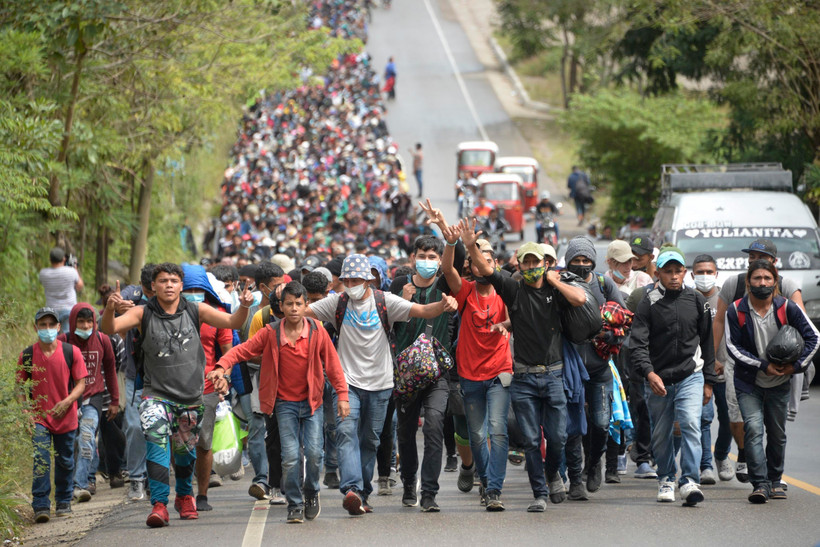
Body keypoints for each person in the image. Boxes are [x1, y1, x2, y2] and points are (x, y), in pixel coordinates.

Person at [303, 254, 458, 516]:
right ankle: (351, 489)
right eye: (347, 279)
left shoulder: (384, 301)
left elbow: (421, 311)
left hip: (382, 384)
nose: (351, 283)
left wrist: (443, 306)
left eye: (357, 279)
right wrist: (286, 302)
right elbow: (301, 311)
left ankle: (362, 494)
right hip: (347, 383)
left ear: (368, 280)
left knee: (370, 441)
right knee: (346, 433)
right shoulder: (337, 302)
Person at [101, 263, 252, 528]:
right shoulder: (142, 313)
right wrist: (110, 309)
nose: (169, 285)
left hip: (190, 396)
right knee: (156, 443)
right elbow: (109, 329)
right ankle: (159, 505)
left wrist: (245, 305)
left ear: (181, 285)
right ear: (154, 286)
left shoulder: (197, 309)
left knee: (184, 454)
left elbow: (233, 322)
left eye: (173, 280)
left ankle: (184, 496)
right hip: (155, 395)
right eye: (163, 281)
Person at [465, 225, 586, 513]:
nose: (531, 267)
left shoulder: (556, 291)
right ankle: (540, 493)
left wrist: (553, 282)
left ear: (545, 264)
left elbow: (580, 299)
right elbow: (486, 269)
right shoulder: (513, 289)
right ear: (519, 265)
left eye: (536, 262)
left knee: (557, 437)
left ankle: (552, 472)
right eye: (526, 262)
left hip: (554, 375)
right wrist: (471, 247)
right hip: (523, 378)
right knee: (532, 441)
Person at [209, 281, 350, 523]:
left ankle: (311, 493)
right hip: (283, 405)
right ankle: (294, 503)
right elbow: (241, 350)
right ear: (281, 307)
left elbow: (334, 365)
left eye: (299, 303)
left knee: (315, 454)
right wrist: (222, 366)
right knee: (291, 456)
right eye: (289, 304)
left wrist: (343, 396)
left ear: (306, 306)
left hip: (312, 403)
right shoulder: (270, 332)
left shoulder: (317, 330)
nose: (294, 308)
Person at [725, 260, 818, 503]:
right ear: (748, 282)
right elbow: (732, 347)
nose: (762, 283)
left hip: (780, 384)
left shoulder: (787, 308)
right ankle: (760, 484)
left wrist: (795, 367)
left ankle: (775, 480)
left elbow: (814, 338)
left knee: (777, 434)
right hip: (748, 383)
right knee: (754, 429)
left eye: (767, 278)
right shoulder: (736, 310)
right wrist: (763, 365)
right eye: (757, 278)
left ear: (775, 282)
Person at [712, 238, 804, 483]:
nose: (755, 261)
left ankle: (771, 476)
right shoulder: (734, 284)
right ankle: (746, 457)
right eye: (751, 257)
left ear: (774, 265)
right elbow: (719, 320)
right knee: (741, 418)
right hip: (741, 363)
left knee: (775, 430)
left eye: (761, 257)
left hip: (779, 369)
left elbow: (803, 330)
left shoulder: (788, 287)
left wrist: (797, 365)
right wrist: (714, 357)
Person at [630, 247, 717, 506]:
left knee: (690, 423)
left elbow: (708, 343)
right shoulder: (648, 303)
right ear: (657, 274)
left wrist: (709, 381)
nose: (674, 276)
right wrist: (649, 373)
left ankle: (689, 481)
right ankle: (666, 478)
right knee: (661, 433)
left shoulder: (696, 301)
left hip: (691, 375)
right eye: (668, 271)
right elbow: (638, 344)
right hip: (658, 380)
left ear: (685, 273)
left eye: (678, 271)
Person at [441, 222, 513, 511]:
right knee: (478, 435)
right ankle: (485, 481)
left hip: (500, 372)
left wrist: (505, 325)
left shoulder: (506, 289)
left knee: (497, 429)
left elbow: (515, 319)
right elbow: (448, 271)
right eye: (476, 260)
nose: (483, 265)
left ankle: (494, 489)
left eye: (489, 259)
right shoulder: (465, 291)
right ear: (470, 267)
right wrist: (451, 244)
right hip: (469, 375)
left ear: (495, 264)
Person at [389, 232, 459, 513]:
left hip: (437, 374)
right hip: (405, 375)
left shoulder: (446, 286)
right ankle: (409, 483)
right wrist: (402, 305)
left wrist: (451, 238)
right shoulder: (398, 286)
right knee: (405, 435)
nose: (427, 261)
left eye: (432, 257)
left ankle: (429, 492)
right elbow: (386, 324)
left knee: (433, 427)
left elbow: (458, 265)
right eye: (422, 256)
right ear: (412, 258)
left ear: (440, 260)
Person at [562, 236, 626, 497]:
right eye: (575, 260)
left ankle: (594, 464)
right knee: (573, 427)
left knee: (600, 424)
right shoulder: (562, 285)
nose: (581, 264)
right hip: (571, 368)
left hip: (600, 367)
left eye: (585, 259)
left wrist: (613, 335)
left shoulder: (604, 283)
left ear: (592, 261)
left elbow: (624, 318)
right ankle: (575, 478)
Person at [18, 307, 88, 523]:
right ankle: (40, 504)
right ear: (36, 327)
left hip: (66, 417)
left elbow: (81, 384)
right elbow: (20, 387)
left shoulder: (71, 352)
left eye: (51, 325)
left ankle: (64, 500)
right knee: (41, 459)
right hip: (39, 418)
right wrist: (25, 413)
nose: (47, 329)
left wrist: (68, 401)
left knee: (66, 460)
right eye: (43, 325)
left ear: (58, 327)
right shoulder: (27, 355)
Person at [180, 264, 234, 513]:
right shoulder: (166, 316)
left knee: (203, 443)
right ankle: (184, 493)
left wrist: (224, 377)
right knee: (180, 444)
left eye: (197, 289)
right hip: (174, 389)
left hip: (207, 388)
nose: (192, 293)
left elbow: (228, 354)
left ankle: (201, 495)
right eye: (188, 289)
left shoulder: (216, 315)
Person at [58, 303, 119, 502]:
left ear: (95, 322)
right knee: (72, 442)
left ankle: (80, 485)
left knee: (86, 437)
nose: (85, 326)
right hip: (67, 399)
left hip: (94, 396)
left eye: (89, 321)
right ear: (73, 321)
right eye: (81, 321)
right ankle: (82, 478)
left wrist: (114, 400)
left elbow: (110, 370)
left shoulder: (103, 340)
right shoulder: (63, 341)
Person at [606, 241, 656, 479]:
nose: (628, 266)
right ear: (610, 263)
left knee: (641, 403)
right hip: (609, 354)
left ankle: (643, 457)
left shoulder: (643, 281)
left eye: (630, 261)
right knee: (614, 404)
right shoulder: (600, 282)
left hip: (636, 352)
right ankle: (616, 456)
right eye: (621, 262)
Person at [689, 255, 731, 485]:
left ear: (716, 274)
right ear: (692, 275)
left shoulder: (727, 299)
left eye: (709, 272)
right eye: (700, 272)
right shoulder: (687, 299)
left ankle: (721, 455)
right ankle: (705, 465)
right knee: (703, 419)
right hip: (698, 372)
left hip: (725, 370)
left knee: (729, 419)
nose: (705, 276)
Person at [302, 271, 341, 490]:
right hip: (308, 376)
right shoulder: (298, 315)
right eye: (310, 300)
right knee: (312, 424)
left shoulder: (335, 309)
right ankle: (309, 470)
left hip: (331, 374)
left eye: (318, 300)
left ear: (328, 293)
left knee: (334, 424)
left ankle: (333, 468)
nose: (313, 306)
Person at [39, 247, 84, 333]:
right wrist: (75, 268)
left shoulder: (43, 273)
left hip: (51, 310)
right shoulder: (71, 272)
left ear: (50, 259)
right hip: (69, 308)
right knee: (67, 336)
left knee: (53, 337)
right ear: (63, 259)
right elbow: (80, 286)